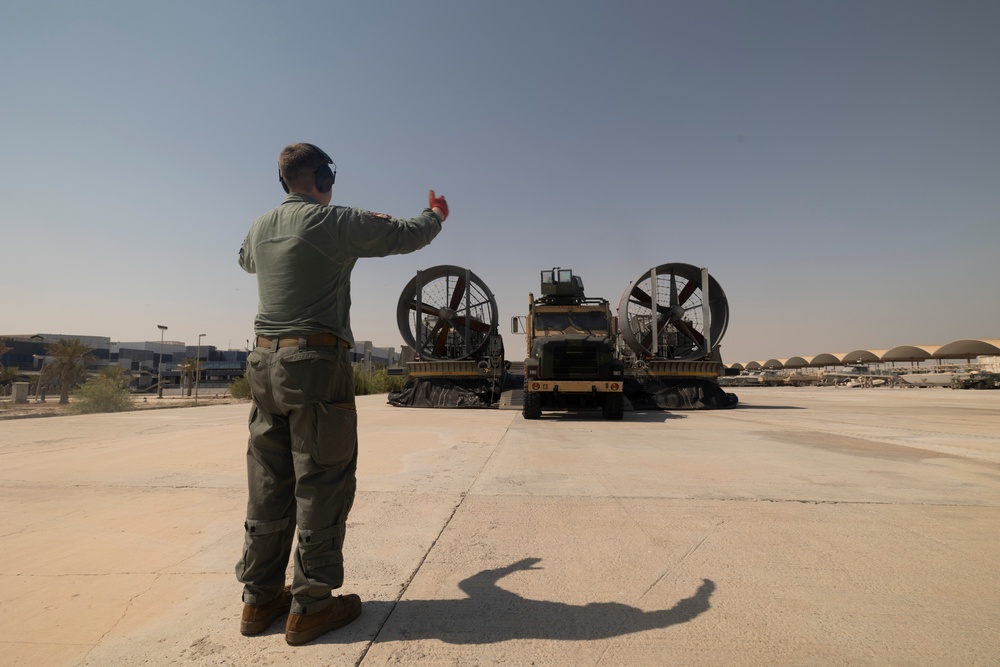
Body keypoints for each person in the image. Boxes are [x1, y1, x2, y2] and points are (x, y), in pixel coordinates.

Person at [236, 142, 448, 645]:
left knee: (268, 481)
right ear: (325, 176)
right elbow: (406, 235)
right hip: (314, 364)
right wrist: (435, 214)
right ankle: (311, 605)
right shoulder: (334, 222)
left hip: (262, 365)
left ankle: (259, 598)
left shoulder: (260, 225)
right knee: (323, 479)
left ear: (282, 181)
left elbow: (246, 261)